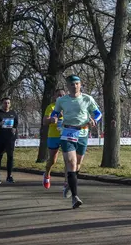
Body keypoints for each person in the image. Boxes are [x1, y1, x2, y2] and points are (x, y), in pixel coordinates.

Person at [50, 75, 101, 208]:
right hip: (67, 132)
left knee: (78, 164)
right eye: (72, 84)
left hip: (83, 133)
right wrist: (54, 118)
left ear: (80, 84)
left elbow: (98, 113)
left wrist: (94, 120)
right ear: (68, 86)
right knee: (71, 163)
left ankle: (69, 184)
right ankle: (75, 197)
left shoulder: (87, 99)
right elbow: (54, 113)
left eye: (77, 84)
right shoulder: (62, 100)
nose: (75, 86)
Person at [42, 88, 69, 195]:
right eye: (58, 95)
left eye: (62, 95)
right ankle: (47, 174)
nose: (60, 97)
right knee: (52, 160)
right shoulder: (51, 107)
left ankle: (66, 183)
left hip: (66, 135)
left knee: (68, 160)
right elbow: (45, 121)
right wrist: (51, 120)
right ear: (54, 96)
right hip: (53, 136)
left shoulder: (68, 107)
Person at [0, 97, 19, 184]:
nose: (7, 105)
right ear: (2, 104)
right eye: (5, 103)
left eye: (8, 103)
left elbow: (16, 124)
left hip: (10, 139)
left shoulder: (13, 113)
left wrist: (14, 131)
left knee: (10, 157)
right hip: (0, 139)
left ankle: (9, 176)